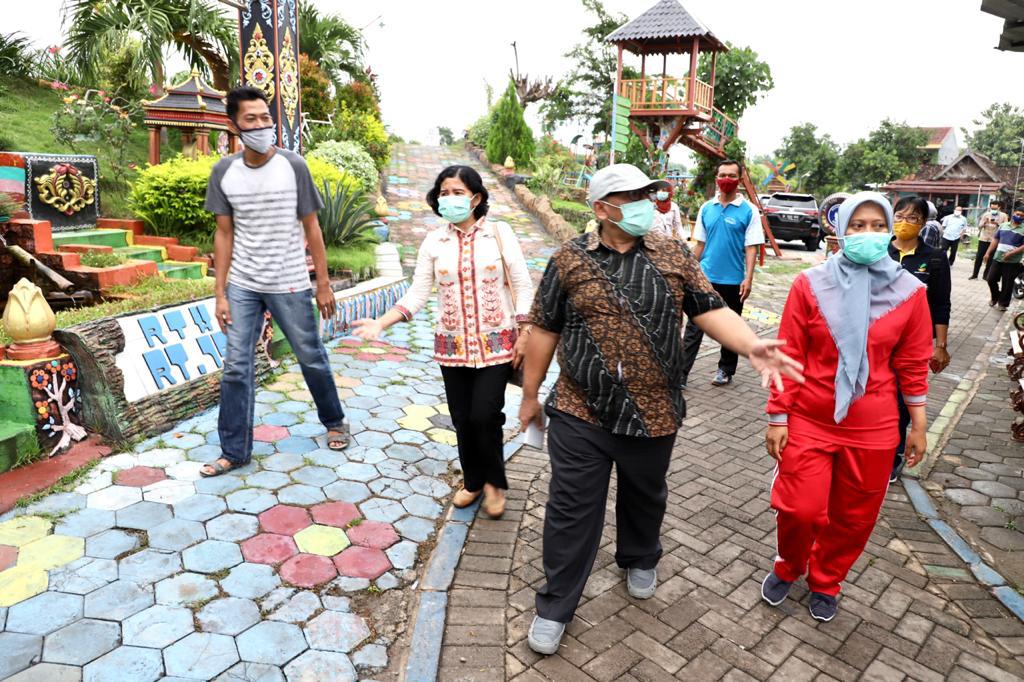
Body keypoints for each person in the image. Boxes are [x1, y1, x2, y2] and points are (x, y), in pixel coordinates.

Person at [519, 163, 804, 655]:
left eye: (647, 195)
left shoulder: (672, 254)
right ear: (601, 208)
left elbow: (710, 308)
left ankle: (640, 554)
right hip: (579, 409)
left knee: (645, 495)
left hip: (653, 412)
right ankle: (555, 605)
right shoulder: (568, 260)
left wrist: (751, 344)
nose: (644, 205)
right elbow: (545, 328)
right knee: (570, 511)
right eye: (631, 197)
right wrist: (528, 395)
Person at [762, 192, 932, 623]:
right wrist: (778, 416)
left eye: (878, 225)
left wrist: (918, 424)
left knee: (854, 517)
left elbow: (912, 364)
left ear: (891, 229)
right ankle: (789, 565)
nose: (868, 234)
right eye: (858, 225)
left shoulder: (911, 293)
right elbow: (788, 355)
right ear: (840, 229)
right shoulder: (809, 284)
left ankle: (826, 579)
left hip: (874, 426)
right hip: (811, 418)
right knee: (800, 509)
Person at [352, 165, 533, 518]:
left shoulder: (499, 233)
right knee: (462, 419)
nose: (449, 198)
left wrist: (525, 332)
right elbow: (418, 292)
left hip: (499, 345)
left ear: (476, 198)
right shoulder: (434, 241)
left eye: (458, 192)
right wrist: (382, 322)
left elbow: (523, 285)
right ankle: (473, 481)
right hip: (452, 347)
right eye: (444, 193)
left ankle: (495, 483)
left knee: (485, 416)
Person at [201, 86, 348, 477]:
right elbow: (224, 234)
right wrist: (220, 292)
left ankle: (334, 420)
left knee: (310, 355)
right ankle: (234, 451)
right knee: (235, 368)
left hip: (289, 281)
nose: (262, 125)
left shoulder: (293, 165)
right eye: (251, 119)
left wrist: (323, 283)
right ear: (235, 126)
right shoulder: (224, 173)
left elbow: (312, 227)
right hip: (244, 284)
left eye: (266, 117)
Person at [679, 159, 765, 387]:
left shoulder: (749, 211)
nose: (726, 180)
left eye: (731, 176)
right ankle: (681, 374)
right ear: (716, 178)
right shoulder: (707, 208)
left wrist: (748, 277)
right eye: (722, 175)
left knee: (731, 327)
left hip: (734, 280)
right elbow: (700, 244)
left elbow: (751, 247)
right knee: (694, 326)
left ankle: (725, 369)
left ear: (739, 180)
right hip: (705, 277)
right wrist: (688, 270)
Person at [888, 196, 951, 481]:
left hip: (912, 344)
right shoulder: (879, 251)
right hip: (877, 341)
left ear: (923, 223)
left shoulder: (935, 258)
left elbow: (940, 304)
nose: (904, 222)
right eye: (899, 216)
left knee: (902, 403)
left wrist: (941, 346)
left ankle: (893, 455)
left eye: (912, 218)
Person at [983, 205, 1024, 312]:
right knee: (990, 279)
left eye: (1021, 215)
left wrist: (1011, 253)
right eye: (1017, 214)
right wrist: (987, 253)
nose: (1018, 216)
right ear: (1013, 213)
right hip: (997, 258)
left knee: (1007, 283)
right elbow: (995, 240)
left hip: (1012, 262)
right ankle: (995, 297)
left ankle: (1003, 304)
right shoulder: (1003, 225)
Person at [972, 200, 1008, 280]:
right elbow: (979, 226)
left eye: (995, 208)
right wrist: (984, 223)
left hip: (995, 240)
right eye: (992, 208)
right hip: (984, 238)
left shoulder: (1004, 215)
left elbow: (1006, 227)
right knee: (979, 257)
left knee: (991, 258)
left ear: (999, 207)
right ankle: (974, 274)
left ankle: (986, 275)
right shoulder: (986, 214)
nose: (993, 210)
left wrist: (997, 224)